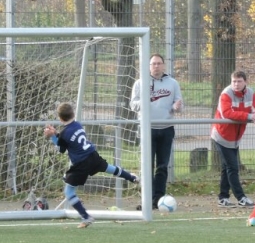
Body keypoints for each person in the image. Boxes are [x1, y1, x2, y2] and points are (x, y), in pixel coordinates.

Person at [44, 102, 137, 227]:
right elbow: (68, 138)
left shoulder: (64, 134)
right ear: (73, 114)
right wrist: (56, 134)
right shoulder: (78, 125)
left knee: (69, 192)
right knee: (109, 168)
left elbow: (61, 149)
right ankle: (132, 177)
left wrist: (52, 136)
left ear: (60, 118)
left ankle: (86, 217)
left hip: (81, 163)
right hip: (92, 155)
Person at [130, 53, 183, 210]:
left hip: (166, 129)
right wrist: (144, 102)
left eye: (159, 63)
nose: (156, 66)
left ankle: (158, 200)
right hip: (147, 129)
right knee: (147, 166)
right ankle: (146, 200)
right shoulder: (140, 83)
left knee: (162, 166)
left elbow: (179, 104)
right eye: (153, 64)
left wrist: (176, 107)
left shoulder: (172, 83)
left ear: (164, 65)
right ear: (149, 66)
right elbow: (133, 105)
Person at [211, 70, 255, 207]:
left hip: (235, 138)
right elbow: (227, 113)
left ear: (245, 82)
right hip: (221, 136)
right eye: (234, 81)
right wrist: (248, 116)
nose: (236, 84)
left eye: (239, 81)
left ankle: (223, 197)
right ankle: (241, 197)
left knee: (226, 167)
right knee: (233, 167)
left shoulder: (250, 93)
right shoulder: (226, 94)